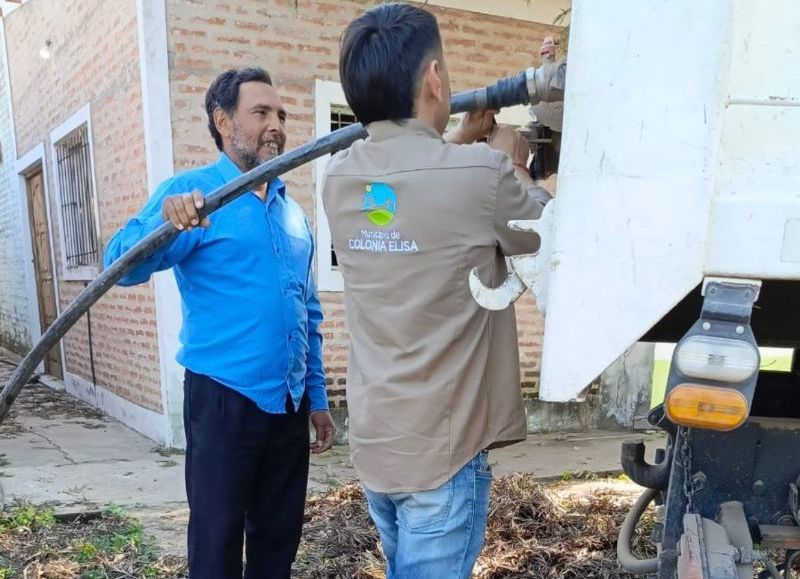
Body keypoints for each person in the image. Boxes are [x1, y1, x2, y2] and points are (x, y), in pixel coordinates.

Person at [322, 4, 551, 578]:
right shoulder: (483, 175)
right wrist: (516, 168)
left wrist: (454, 138)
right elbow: (548, 232)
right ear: (433, 79)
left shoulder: (341, 178)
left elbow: (412, 190)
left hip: (379, 442)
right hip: (442, 457)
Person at [104, 67, 335, 579]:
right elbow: (119, 264)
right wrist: (164, 223)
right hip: (223, 401)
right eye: (261, 113)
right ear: (223, 121)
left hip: (288, 403)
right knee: (216, 541)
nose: (275, 124)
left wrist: (316, 399)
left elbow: (307, 313)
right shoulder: (196, 195)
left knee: (279, 539)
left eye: (280, 114)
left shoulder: (291, 215)